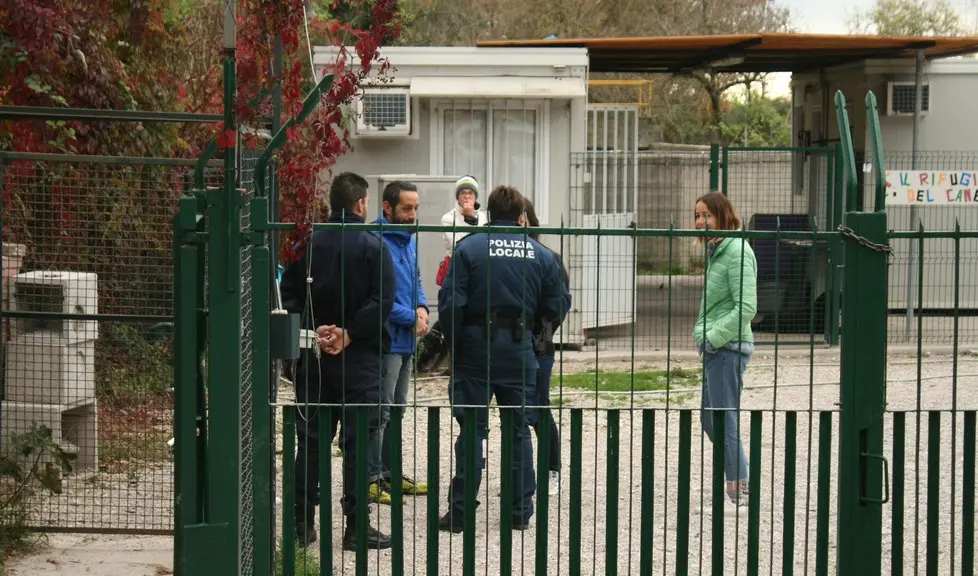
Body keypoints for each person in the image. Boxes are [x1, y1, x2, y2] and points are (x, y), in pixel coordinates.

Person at [437, 185, 571, 533]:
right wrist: (533, 333)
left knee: (472, 431)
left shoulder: (469, 249)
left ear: (489, 214)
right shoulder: (540, 254)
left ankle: (461, 512)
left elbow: (451, 302)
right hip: (518, 350)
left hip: (474, 349)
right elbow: (557, 305)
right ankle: (519, 510)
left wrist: (457, 343)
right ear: (520, 214)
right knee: (518, 430)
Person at [280, 171, 395, 550]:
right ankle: (356, 527)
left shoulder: (307, 243)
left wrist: (316, 332)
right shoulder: (374, 247)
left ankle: (302, 524)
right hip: (360, 357)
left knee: (310, 443)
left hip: (313, 356)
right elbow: (382, 300)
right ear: (361, 204)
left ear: (334, 204)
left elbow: (289, 296)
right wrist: (349, 333)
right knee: (358, 442)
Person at [692, 191, 757, 512]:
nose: (700, 222)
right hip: (716, 346)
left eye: (706, 215)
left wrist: (715, 337)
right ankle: (739, 479)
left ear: (722, 215)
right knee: (710, 417)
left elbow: (746, 306)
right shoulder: (719, 252)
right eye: (697, 216)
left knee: (723, 417)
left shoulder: (737, 251)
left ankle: (737, 493)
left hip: (727, 346)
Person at [368, 180, 430, 504]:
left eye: (416, 207)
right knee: (380, 411)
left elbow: (417, 280)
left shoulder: (408, 241)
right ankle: (372, 477)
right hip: (387, 340)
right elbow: (375, 296)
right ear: (387, 207)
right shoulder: (375, 241)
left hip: (406, 340)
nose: (412, 214)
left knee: (398, 410)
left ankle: (391, 474)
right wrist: (411, 317)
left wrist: (422, 307)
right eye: (407, 208)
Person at [417, 175, 489, 373]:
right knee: (454, 312)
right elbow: (460, 244)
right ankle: (445, 356)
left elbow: (485, 242)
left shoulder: (484, 217)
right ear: (457, 197)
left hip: (480, 272)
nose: (467, 196)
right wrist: (467, 219)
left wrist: (472, 218)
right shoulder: (448, 218)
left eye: (471, 193)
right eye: (463, 193)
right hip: (457, 270)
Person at [521, 199, 569, 496]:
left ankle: (552, 469)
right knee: (516, 412)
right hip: (512, 344)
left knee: (538, 407)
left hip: (539, 344)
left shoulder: (548, 257)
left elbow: (559, 305)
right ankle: (523, 472)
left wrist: (541, 333)